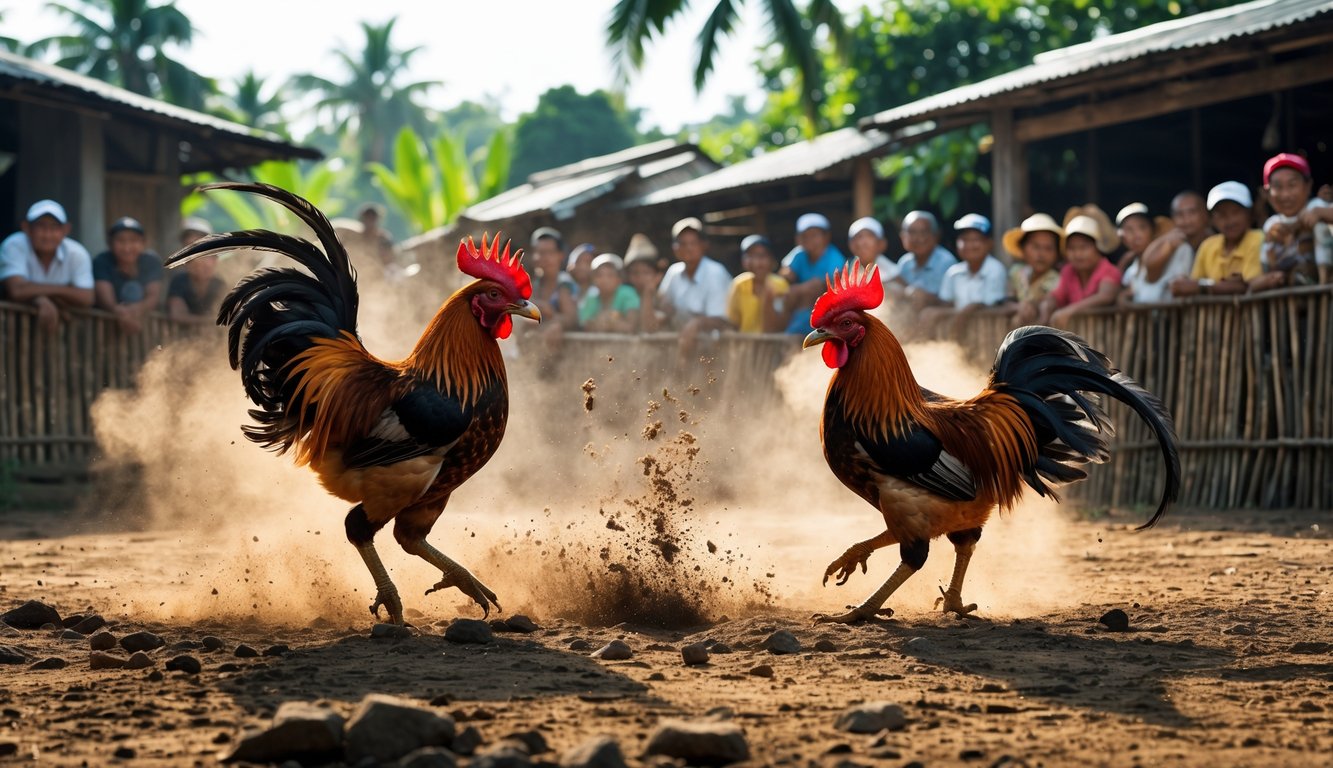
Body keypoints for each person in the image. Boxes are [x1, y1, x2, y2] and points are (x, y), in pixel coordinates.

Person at [0, 199, 94, 332]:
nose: (47, 234)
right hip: (12, 331)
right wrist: (50, 297)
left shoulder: (77, 253)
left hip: (61, 333)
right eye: (41, 226)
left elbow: (86, 297)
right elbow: (16, 290)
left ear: (65, 230)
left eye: (54, 227)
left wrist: (36, 293)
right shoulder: (14, 245)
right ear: (26, 228)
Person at [658, 217, 733, 362]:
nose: (688, 248)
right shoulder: (673, 273)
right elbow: (664, 306)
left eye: (693, 243)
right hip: (682, 351)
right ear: (675, 248)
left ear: (704, 245)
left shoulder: (715, 273)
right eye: (683, 243)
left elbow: (722, 320)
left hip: (716, 353)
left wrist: (697, 324)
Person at [1171, 181, 1263, 297]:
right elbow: (1192, 284)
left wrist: (1202, 286)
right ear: (1212, 219)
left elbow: (1247, 285)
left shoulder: (1257, 238)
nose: (1230, 220)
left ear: (1249, 213)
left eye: (1236, 212)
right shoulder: (1208, 245)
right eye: (1222, 214)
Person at [1260, 152, 1332, 286]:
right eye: (1278, 187)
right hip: (1290, 295)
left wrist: (1320, 213)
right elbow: (1266, 265)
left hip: (1325, 294)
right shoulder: (1271, 225)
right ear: (1267, 193)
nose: (1286, 195)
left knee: (1321, 227)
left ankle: (1324, 279)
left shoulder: (1316, 206)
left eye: (1292, 185)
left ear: (1308, 186)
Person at [1039, 214, 1122, 326]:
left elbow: (1105, 296)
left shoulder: (1109, 270)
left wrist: (1069, 311)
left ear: (1098, 247)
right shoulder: (1068, 270)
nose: (1078, 254)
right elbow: (1057, 295)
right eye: (1072, 248)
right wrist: (1047, 305)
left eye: (1083, 247)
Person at [93, 216, 163, 334]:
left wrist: (134, 311)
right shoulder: (102, 261)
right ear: (110, 244)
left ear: (143, 243)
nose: (127, 247)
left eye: (133, 240)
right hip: (105, 331)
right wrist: (120, 312)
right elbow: (105, 298)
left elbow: (153, 296)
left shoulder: (152, 261)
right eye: (121, 241)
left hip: (145, 331)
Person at [779, 212, 846, 334]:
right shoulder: (799, 253)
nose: (809, 239)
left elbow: (833, 285)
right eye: (804, 236)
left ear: (826, 237)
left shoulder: (834, 256)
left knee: (813, 288)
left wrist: (799, 289)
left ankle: (801, 329)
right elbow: (785, 274)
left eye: (814, 235)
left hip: (826, 308)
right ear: (798, 239)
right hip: (800, 304)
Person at [1140, 190, 1212, 290]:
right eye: (1179, 214)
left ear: (1205, 214)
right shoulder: (1173, 242)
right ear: (1173, 218)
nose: (1186, 220)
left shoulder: (1216, 243)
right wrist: (1167, 245)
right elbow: (1151, 273)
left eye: (1192, 212)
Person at [1117, 203, 1187, 304]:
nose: (1137, 235)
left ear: (1153, 230)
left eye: (1142, 227)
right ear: (1123, 238)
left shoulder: (1175, 252)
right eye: (1129, 230)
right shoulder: (1130, 273)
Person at [1001, 213, 1064, 325]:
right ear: (1023, 248)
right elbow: (1007, 303)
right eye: (1035, 247)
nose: (1041, 254)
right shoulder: (1016, 272)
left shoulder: (1059, 280)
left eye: (1048, 248)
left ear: (1057, 253)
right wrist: (1018, 307)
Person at [937, 214, 1006, 310]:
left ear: (989, 243)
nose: (969, 245)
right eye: (964, 239)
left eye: (975, 239)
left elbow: (990, 306)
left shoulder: (995, 269)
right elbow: (945, 304)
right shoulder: (953, 273)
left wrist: (964, 314)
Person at [890, 210, 957, 306]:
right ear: (903, 236)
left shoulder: (946, 263)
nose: (918, 238)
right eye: (912, 232)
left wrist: (927, 298)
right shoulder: (904, 263)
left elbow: (952, 304)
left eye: (924, 232)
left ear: (936, 235)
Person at [167, 217, 226, 323]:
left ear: (214, 258)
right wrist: (210, 322)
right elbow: (177, 315)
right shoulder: (179, 281)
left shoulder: (221, 286)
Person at [727, 235, 790, 333]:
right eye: (751, 256)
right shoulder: (739, 284)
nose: (757, 262)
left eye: (762, 256)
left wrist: (768, 299)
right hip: (743, 342)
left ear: (771, 260)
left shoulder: (780, 285)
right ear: (743, 261)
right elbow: (732, 322)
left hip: (773, 343)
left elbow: (780, 324)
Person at [528, 227, 579, 331]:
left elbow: (571, 320)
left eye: (550, 252)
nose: (545, 258)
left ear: (561, 255)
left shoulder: (564, 284)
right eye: (540, 253)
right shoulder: (533, 285)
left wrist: (552, 316)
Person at [577, 253, 639, 333]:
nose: (604, 280)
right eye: (599, 275)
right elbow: (585, 325)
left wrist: (610, 323)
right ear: (594, 280)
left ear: (619, 279)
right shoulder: (592, 298)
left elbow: (631, 326)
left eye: (610, 275)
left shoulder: (627, 293)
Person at [624, 233, 666, 333]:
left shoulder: (663, 300)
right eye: (635, 273)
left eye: (646, 272)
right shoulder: (623, 298)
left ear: (657, 275)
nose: (640, 278)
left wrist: (647, 294)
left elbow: (650, 328)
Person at [846, 216, 900, 291]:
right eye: (859, 237)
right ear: (851, 245)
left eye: (869, 236)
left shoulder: (894, 274)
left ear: (881, 244)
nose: (864, 242)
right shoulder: (845, 270)